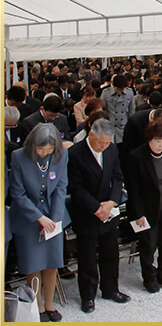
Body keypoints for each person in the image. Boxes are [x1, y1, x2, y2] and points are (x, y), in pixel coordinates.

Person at [68, 119, 130, 314]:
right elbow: (76, 187)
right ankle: (87, 296)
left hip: (108, 209)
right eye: (100, 143)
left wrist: (112, 202)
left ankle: (111, 289)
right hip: (87, 210)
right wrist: (96, 208)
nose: (104, 146)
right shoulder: (75, 153)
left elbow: (118, 177)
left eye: (107, 143)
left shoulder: (111, 149)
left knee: (111, 253)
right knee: (87, 257)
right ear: (91, 135)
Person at [9, 124, 70, 322]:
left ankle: (50, 303)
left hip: (53, 215)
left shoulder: (61, 156)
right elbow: (17, 193)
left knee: (52, 262)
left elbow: (61, 188)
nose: (44, 153)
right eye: (40, 149)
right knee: (34, 263)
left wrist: (54, 218)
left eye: (48, 150)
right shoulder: (19, 156)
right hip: (29, 216)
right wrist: (39, 218)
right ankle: (38, 305)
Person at [125, 120, 162, 293]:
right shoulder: (137, 156)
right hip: (147, 209)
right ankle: (149, 277)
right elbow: (133, 189)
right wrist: (138, 213)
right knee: (148, 245)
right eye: (158, 141)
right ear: (150, 139)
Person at [100, 75, 136, 144]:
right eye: (118, 89)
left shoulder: (129, 93)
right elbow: (101, 109)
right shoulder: (106, 93)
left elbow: (132, 110)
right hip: (111, 124)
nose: (119, 91)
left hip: (123, 125)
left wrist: (131, 125)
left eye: (122, 89)